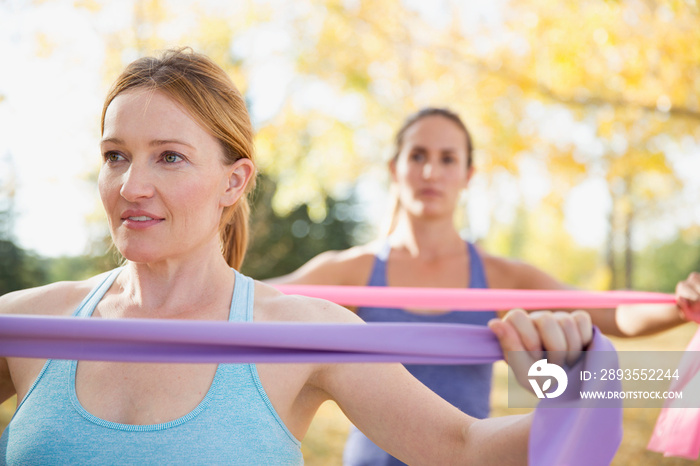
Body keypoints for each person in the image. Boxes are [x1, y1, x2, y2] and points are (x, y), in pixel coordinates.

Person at [0, 48, 596, 465]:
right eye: (114, 156)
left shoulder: (304, 328)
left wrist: (572, 383)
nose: (131, 186)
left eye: (170, 157)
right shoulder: (27, 324)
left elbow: (466, 449)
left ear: (233, 184)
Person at [268, 107, 695, 465]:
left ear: (468, 174)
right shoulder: (351, 270)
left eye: (448, 158)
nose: (431, 170)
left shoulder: (500, 276)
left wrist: (682, 304)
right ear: (394, 169)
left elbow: (610, 313)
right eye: (417, 155)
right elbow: (257, 301)